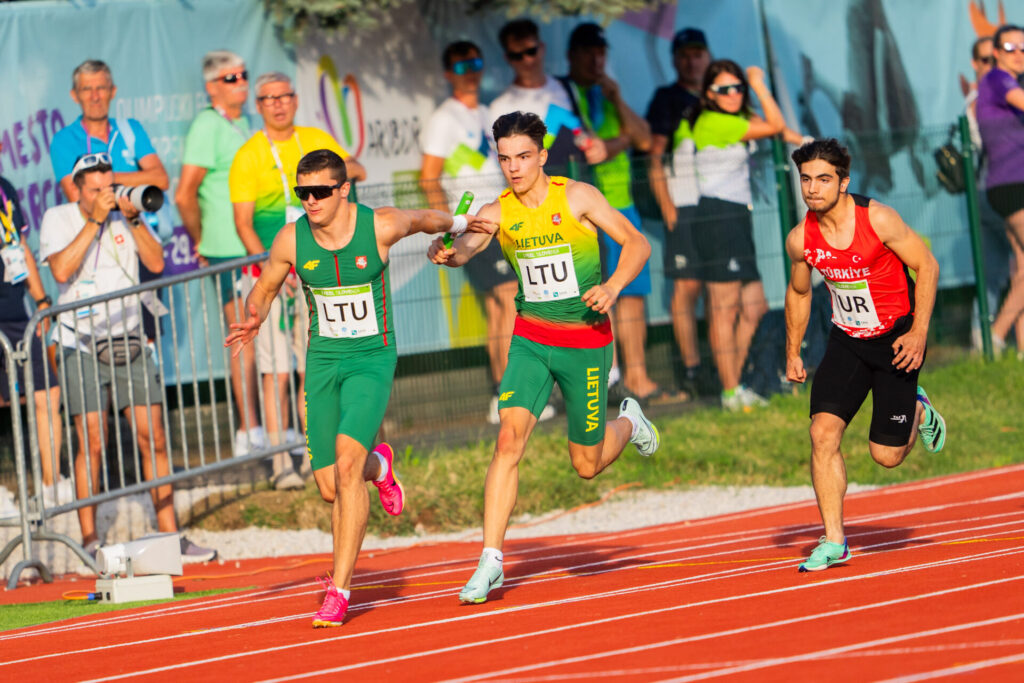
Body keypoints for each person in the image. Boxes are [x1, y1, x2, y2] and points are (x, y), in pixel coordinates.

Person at [225, 148, 492, 626]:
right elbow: (264, 288)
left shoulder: (380, 225)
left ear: (343, 190)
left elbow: (422, 218)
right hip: (324, 362)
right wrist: (253, 318)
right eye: (302, 192)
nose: (310, 200)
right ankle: (380, 464)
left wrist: (459, 223)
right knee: (331, 487)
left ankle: (341, 590)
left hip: (372, 359)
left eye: (320, 192)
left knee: (347, 468)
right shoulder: (291, 239)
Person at [429, 111, 660, 604]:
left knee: (586, 465)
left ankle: (630, 423)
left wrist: (614, 286)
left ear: (542, 156)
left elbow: (636, 243)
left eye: (523, 157)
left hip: (586, 344)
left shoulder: (576, 196)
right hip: (531, 340)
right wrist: (446, 252)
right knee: (508, 441)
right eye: (505, 158)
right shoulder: (498, 210)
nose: (514, 168)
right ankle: (490, 561)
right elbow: (466, 247)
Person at [39, 154, 216, 562]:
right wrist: (96, 221)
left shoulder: (125, 216)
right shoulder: (58, 217)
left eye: (109, 185)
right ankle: (88, 541)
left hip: (130, 337)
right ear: (78, 189)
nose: (106, 193)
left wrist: (133, 218)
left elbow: (155, 262)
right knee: (93, 441)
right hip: (78, 341)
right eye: (97, 188)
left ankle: (171, 536)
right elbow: (62, 272)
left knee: (152, 434)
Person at [784, 139, 946, 572]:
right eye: (806, 179)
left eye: (823, 179)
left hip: (897, 341)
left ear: (843, 182)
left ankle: (916, 408)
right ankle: (835, 541)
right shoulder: (801, 239)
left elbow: (926, 266)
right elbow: (799, 292)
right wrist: (793, 351)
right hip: (848, 341)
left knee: (886, 456)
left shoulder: (878, 219)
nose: (813, 188)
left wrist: (918, 332)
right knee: (822, 434)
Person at [228, 71, 366, 489]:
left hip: (315, 277)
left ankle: (316, 455)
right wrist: (274, 269)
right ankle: (279, 464)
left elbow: (352, 170)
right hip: (272, 278)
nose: (277, 104)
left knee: (315, 369)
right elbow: (243, 223)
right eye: (267, 98)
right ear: (259, 105)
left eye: (283, 96)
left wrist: (350, 174)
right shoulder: (249, 154)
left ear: (295, 99)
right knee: (276, 373)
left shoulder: (314, 138)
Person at [419, 40, 550, 425]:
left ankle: (509, 394)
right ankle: (504, 395)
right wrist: (452, 227)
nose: (471, 71)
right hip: (475, 225)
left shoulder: (490, 112)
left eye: (476, 63)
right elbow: (429, 178)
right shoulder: (444, 119)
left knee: (506, 306)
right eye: (461, 67)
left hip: (503, 220)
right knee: (507, 303)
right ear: (448, 75)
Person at [689, 59, 801, 410]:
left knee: (754, 307)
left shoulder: (734, 121)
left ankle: (736, 386)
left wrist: (809, 141)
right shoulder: (712, 121)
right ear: (709, 94)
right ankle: (729, 392)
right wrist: (757, 83)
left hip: (737, 216)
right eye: (725, 89)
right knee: (724, 308)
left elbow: (781, 130)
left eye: (738, 87)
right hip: (717, 216)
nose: (734, 94)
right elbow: (775, 124)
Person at [563, 22, 665, 404]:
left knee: (633, 292)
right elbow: (580, 148)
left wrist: (617, 100)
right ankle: (608, 379)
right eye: (588, 52)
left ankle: (638, 378)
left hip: (623, 204)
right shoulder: (563, 93)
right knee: (597, 294)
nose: (596, 59)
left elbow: (641, 137)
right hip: (588, 209)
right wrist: (613, 144)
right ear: (572, 56)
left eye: (601, 52)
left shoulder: (608, 93)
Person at [175, 50, 265, 458]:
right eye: (231, 78)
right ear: (212, 86)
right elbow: (184, 193)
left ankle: (272, 424)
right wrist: (201, 241)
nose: (242, 82)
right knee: (242, 336)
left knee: (268, 336)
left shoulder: (245, 122)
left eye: (244, 75)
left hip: (257, 246)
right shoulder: (206, 126)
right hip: (228, 252)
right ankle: (249, 428)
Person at [646, 28, 712, 398]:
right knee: (686, 287)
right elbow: (654, 158)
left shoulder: (723, 96)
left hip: (720, 207)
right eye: (684, 54)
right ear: (674, 59)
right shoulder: (666, 99)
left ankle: (719, 365)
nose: (692, 60)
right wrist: (667, 205)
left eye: (698, 53)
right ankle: (690, 368)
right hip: (683, 205)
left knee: (718, 288)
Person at [0, 162, 64, 504]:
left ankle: (51, 485)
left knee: (47, 392)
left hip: (15, 309)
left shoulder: (4, 188)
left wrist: (41, 301)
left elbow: (20, 246)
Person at [49, 60, 170, 203]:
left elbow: (161, 179)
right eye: (86, 89)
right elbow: (76, 196)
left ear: (113, 92)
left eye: (101, 88)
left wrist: (101, 181)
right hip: (94, 224)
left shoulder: (131, 128)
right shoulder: (64, 140)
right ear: (74, 95)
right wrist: (136, 179)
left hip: (136, 222)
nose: (95, 97)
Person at [964, 36, 1016, 353]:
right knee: (996, 273)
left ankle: (993, 342)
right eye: (985, 60)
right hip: (992, 191)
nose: (989, 65)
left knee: (1008, 271)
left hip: (995, 189)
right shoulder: (984, 95)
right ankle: (989, 337)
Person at [976, 24, 1024, 356]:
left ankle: (1020, 347)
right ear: (996, 53)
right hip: (1012, 186)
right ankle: (992, 336)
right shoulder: (997, 79)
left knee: (1022, 268)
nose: (1019, 54)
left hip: (1012, 184)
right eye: (1011, 48)